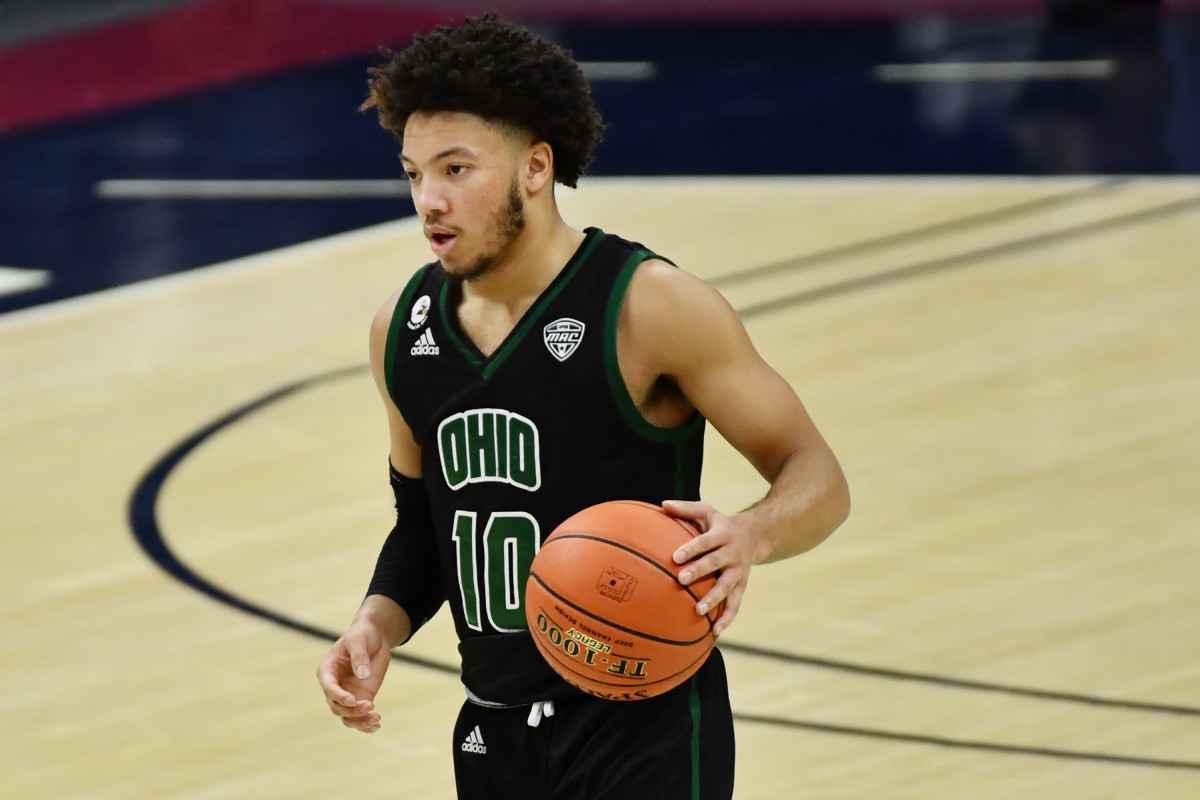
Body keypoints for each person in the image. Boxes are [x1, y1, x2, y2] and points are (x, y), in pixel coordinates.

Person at [316, 14, 850, 799]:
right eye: (414, 172)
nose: (429, 199)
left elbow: (819, 477)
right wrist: (377, 623)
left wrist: (750, 536)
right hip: (493, 729)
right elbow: (424, 523)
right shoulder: (401, 330)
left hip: (644, 721)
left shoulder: (650, 306)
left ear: (535, 167)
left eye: (457, 169)